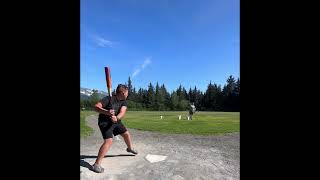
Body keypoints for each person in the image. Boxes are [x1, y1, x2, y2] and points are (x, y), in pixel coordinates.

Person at [91, 84, 138, 173]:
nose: (128, 94)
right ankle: (96, 164)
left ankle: (129, 148)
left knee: (126, 134)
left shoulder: (124, 101)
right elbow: (96, 107)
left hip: (116, 121)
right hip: (104, 122)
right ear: (123, 92)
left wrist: (117, 118)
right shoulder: (108, 98)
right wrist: (106, 112)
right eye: (127, 92)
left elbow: (122, 111)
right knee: (109, 141)